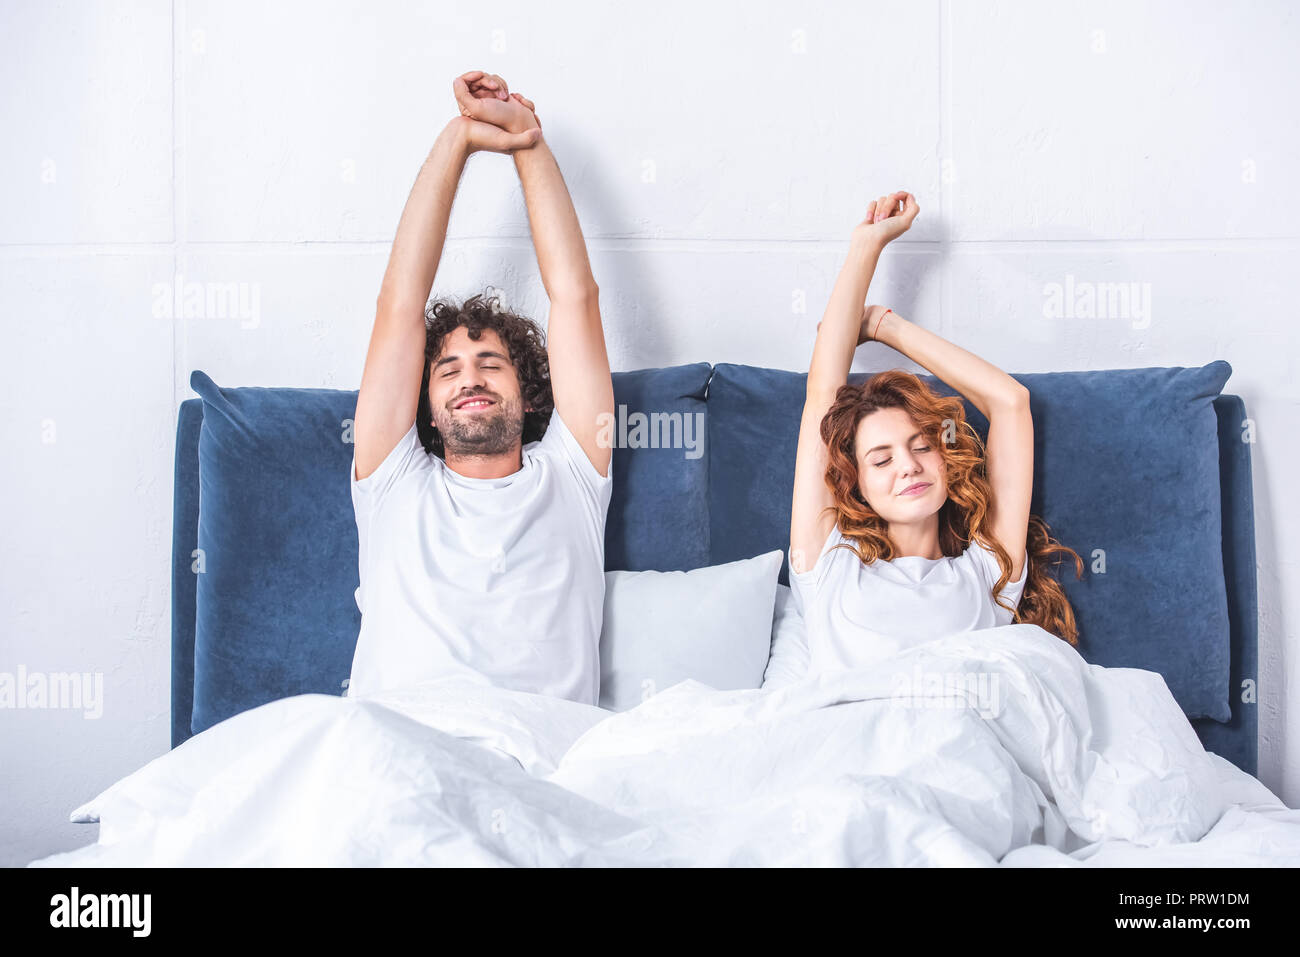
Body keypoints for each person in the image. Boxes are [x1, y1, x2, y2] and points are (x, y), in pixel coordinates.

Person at [347, 71, 615, 705]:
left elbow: (575, 297)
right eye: (448, 369)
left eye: (491, 364)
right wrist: (457, 140)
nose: (470, 376)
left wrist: (529, 144)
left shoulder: (574, 475)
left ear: (528, 395)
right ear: (429, 412)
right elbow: (398, 306)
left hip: (542, 758)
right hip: (402, 754)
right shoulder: (392, 484)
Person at [788, 190, 1083, 677]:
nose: (908, 465)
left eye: (922, 446)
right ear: (855, 484)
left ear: (946, 460)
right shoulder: (827, 566)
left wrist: (886, 326)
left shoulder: (988, 573)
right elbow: (822, 392)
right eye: (880, 460)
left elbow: (1010, 402)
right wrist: (867, 246)